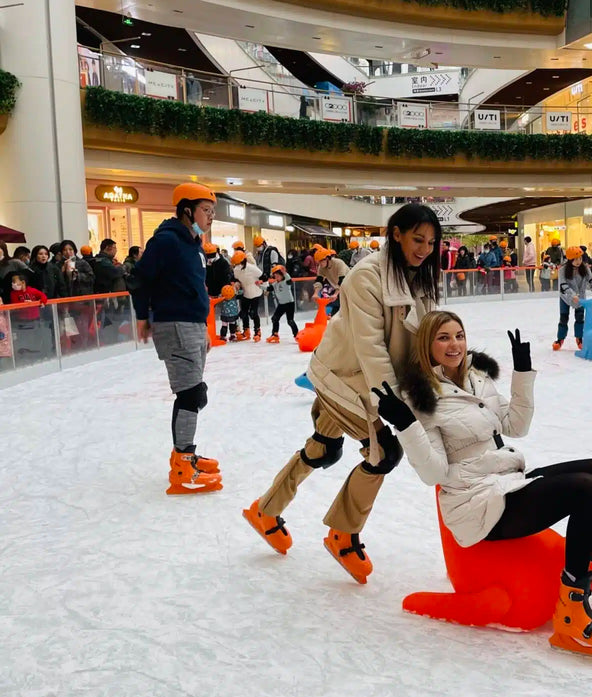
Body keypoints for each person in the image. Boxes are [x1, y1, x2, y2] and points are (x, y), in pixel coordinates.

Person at [378, 311, 592, 660]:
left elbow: (516, 425)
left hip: (507, 480)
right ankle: (572, 608)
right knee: (586, 489)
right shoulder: (420, 397)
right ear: (427, 345)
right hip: (476, 502)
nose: (454, 345)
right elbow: (433, 473)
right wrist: (407, 425)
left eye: (459, 335)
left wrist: (522, 373)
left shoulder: (477, 377)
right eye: (443, 338)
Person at [243, 203, 442, 585]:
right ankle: (343, 533)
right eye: (418, 239)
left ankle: (265, 510)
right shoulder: (366, 277)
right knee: (384, 452)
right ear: (396, 234)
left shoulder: (419, 277)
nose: (424, 249)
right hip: (342, 376)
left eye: (431, 243)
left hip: (363, 378)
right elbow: (372, 350)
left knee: (323, 447)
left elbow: (427, 337)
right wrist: (397, 408)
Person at [130, 182, 222, 494]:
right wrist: (143, 315)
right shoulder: (167, 241)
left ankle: (187, 454)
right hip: (175, 324)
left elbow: (193, 288)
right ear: (186, 210)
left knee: (196, 394)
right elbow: (140, 278)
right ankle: (183, 466)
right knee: (190, 394)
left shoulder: (193, 243)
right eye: (206, 211)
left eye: (212, 212)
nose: (211, 217)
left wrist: (205, 328)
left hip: (194, 325)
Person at [553, 246, 592, 351]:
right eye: (576, 259)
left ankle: (579, 338)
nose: (578, 261)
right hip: (566, 298)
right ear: (570, 259)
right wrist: (572, 295)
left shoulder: (585, 268)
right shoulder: (563, 269)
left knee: (580, 319)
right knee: (563, 318)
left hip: (581, 298)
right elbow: (563, 285)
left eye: (580, 258)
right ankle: (560, 339)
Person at [231, 251, 264, 341]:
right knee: (243, 313)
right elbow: (235, 278)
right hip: (245, 293)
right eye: (236, 264)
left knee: (253, 313)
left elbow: (263, 276)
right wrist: (237, 284)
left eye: (239, 263)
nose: (238, 266)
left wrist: (262, 283)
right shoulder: (236, 270)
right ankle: (246, 331)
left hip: (255, 293)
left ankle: (257, 331)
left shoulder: (252, 268)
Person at [266, 265, 299, 343]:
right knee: (274, 318)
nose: (276, 277)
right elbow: (268, 288)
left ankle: (297, 335)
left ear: (282, 275)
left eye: (278, 276)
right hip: (281, 304)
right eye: (275, 276)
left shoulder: (286, 282)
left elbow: (289, 280)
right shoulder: (275, 284)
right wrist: (259, 285)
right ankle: (275, 335)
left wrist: (285, 273)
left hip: (289, 303)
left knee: (290, 321)